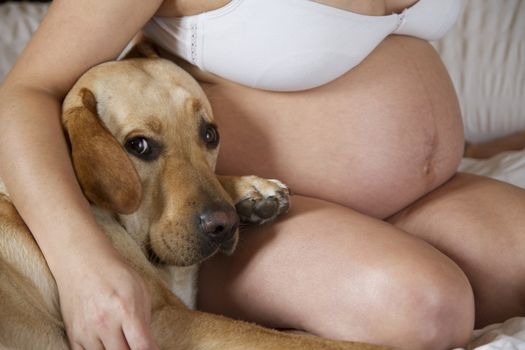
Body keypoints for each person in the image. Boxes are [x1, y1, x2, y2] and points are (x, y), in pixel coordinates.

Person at [0, 0, 524, 349]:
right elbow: (24, 96)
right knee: (428, 309)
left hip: (420, 191)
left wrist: (454, 145)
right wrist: (81, 267)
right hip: (225, 215)